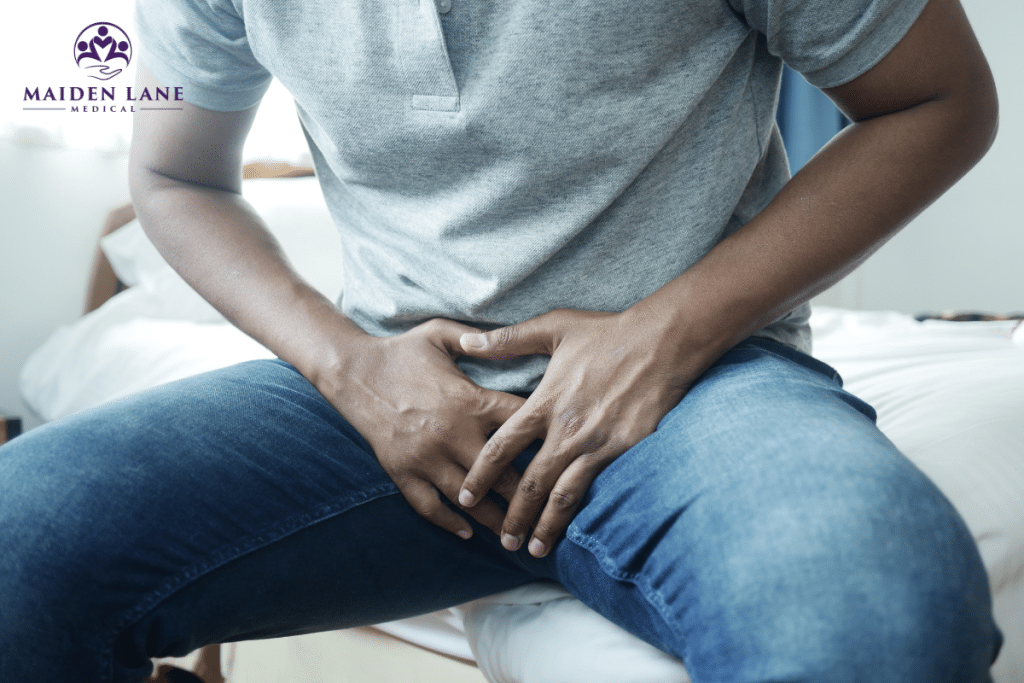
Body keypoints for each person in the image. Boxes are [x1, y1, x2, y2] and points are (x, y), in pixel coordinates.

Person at [0, 0, 1004, 680]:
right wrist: (352, 367)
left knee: (886, 612)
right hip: (386, 403)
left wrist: (662, 334)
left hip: (694, 386)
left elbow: (939, 98)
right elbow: (175, 180)